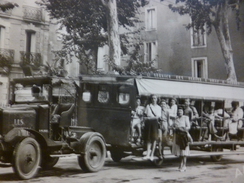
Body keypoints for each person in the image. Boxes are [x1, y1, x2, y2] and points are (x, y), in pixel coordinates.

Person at [172, 107, 191, 172]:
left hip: (184, 135)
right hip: (178, 136)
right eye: (179, 111)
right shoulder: (176, 118)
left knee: (184, 151)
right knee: (180, 152)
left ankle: (184, 166)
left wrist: (182, 128)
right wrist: (174, 128)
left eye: (181, 111)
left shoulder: (186, 118)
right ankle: (180, 164)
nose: (180, 112)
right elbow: (173, 126)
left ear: (183, 112)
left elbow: (188, 127)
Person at [143, 94, 161, 161]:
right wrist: (148, 118)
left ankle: (152, 155)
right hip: (148, 123)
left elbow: (157, 117)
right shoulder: (148, 106)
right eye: (153, 98)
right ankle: (148, 154)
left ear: (157, 99)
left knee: (154, 139)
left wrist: (149, 118)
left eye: (155, 98)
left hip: (154, 123)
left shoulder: (159, 107)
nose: (154, 99)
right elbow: (145, 115)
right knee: (148, 139)